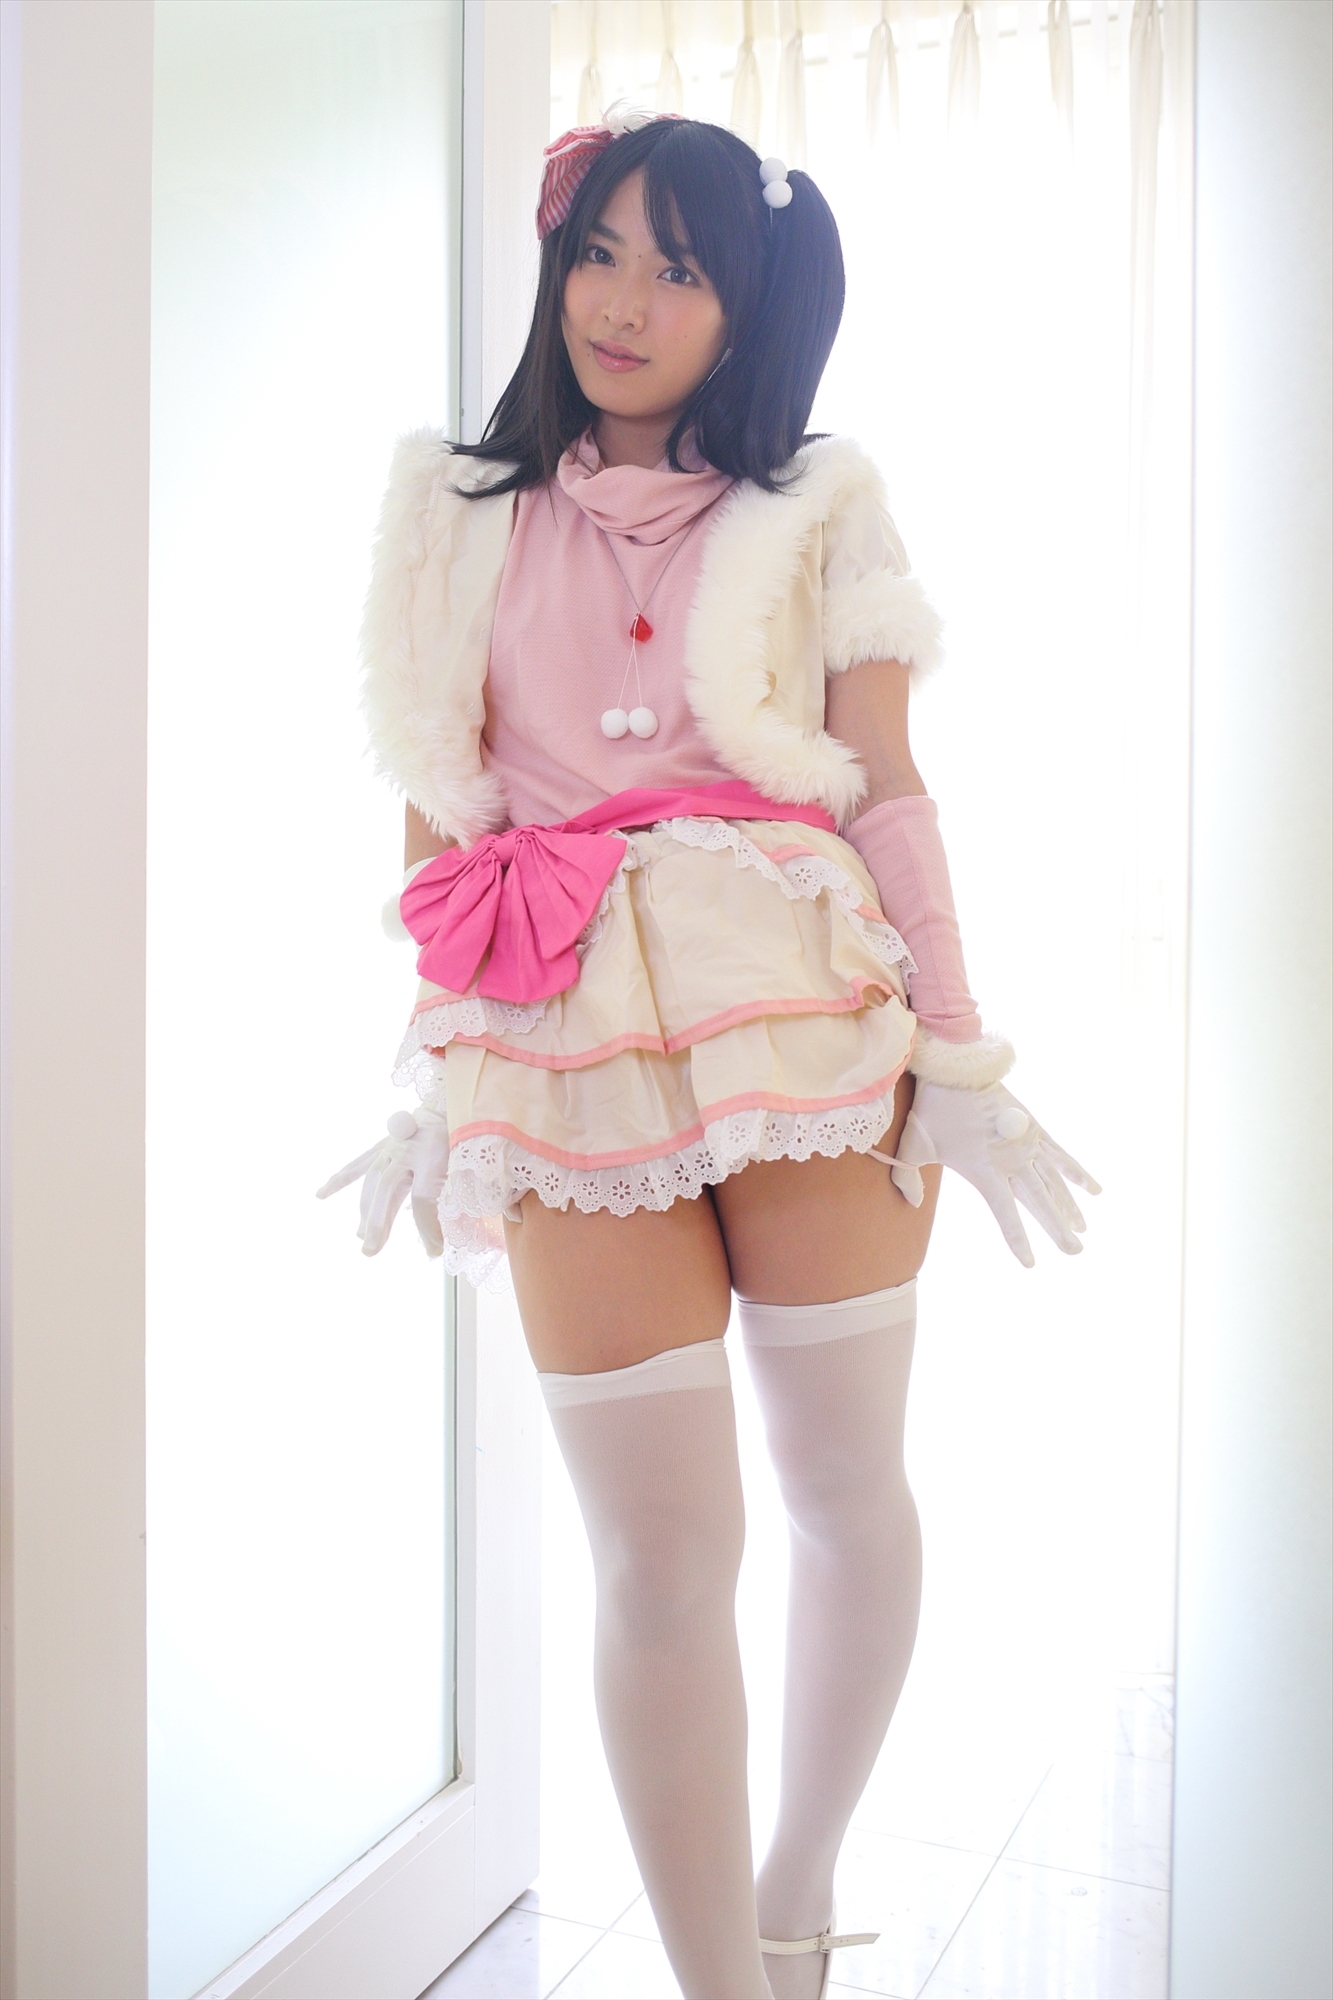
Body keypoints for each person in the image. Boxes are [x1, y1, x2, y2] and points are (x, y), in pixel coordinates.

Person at [321, 114, 1097, 2000]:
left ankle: (794, 1883)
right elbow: (436, 811)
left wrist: (961, 1052)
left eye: (677, 269)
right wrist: (432, 1068)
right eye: (598, 250)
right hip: (561, 1032)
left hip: (797, 1003)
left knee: (841, 1490)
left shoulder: (821, 500)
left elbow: (887, 790)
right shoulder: (451, 508)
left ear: (745, 306)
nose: (621, 300)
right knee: (661, 1559)